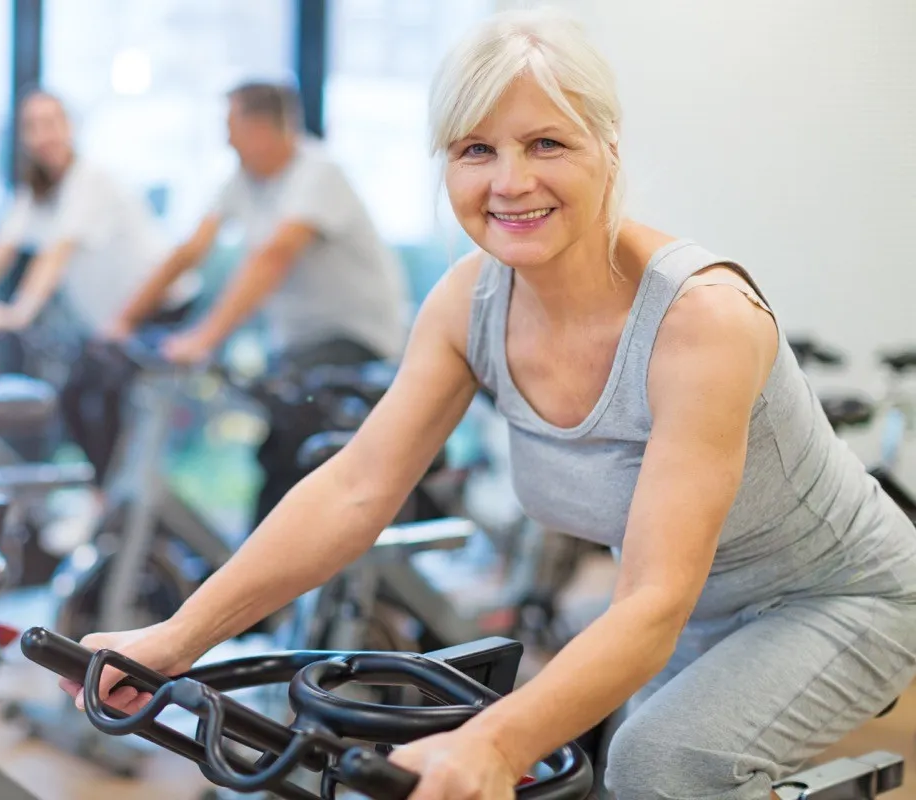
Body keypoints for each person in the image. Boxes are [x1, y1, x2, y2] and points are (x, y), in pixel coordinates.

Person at [62, 10, 916, 800]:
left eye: (547, 143)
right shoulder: (466, 305)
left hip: (842, 597)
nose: (510, 182)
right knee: (596, 763)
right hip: (697, 608)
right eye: (476, 149)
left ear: (607, 147)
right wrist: (174, 639)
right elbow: (355, 489)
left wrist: (494, 745)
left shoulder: (701, 322)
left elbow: (652, 598)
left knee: (660, 762)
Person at [108, 80, 412, 525]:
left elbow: (274, 257)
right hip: (298, 342)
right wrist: (122, 321)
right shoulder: (243, 181)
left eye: (232, 128)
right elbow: (190, 251)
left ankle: (277, 559)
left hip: (356, 337)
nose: (227, 141)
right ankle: (265, 553)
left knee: (287, 445)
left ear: (263, 129)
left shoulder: (317, 173)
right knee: (275, 441)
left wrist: (204, 338)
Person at [0, 88, 196, 474]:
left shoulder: (89, 181)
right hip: (110, 321)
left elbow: (57, 251)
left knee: (97, 401)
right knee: (73, 400)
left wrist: (20, 313)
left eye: (51, 123)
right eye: (32, 126)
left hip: (158, 309)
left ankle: (110, 498)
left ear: (69, 127)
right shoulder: (39, 191)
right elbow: (3, 246)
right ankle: (106, 496)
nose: (43, 135)